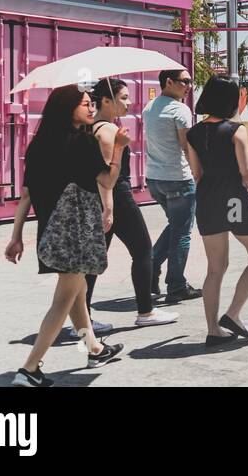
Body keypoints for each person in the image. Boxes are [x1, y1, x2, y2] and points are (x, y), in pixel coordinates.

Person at [4, 85, 125, 386]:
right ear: (68, 108)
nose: (91, 108)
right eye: (85, 104)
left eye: (92, 103)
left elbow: (26, 196)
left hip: (50, 233)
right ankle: (30, 369)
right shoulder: (83, 143)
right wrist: (120, 147)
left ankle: (94, 348)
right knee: (63, 299)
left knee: (77, 291)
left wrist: (16, 236)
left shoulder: (37, 144)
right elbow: (108, 180)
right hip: (76, 233)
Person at [84, 79, 177, 330]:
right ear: (106, 101)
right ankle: (145, 311)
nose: (128, 102)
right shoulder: (107, 131)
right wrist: (110, 208)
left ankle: (82, 321)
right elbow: (106, 178)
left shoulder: (91, 127)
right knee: (143, 250)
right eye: (123, 97)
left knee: (93, 260)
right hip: (117, 197)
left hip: (102, 199)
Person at [187, 77, 248, 348]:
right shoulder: (236, 131)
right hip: (234, 199)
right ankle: (233, 314)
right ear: (231, 100)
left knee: (215, 268)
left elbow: (196, 174)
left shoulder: (192, 133)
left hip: (206, 200)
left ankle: (213, 329)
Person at [142, 69, 202, 303]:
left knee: (176, 226)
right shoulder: (180, 110)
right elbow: (186, 147)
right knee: (182, 233)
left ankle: (151, 268)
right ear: (169, 82)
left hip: (155, 179)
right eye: (184, 82)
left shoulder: (150, 107)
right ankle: (176, 285)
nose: (189, 86)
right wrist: (198, 173)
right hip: (178, 178)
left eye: (190, 82)